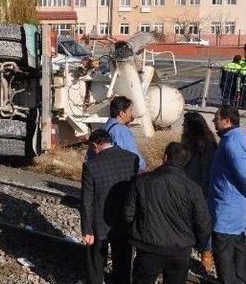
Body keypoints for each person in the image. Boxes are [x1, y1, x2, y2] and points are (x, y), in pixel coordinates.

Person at [124, 142, 211, 284]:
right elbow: (203, 222)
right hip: (180, 250)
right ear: (185, 162)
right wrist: (200, 245)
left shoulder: (141, 181)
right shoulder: (193, 189)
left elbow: (128, 214)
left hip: (148, 248)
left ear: (165, 157)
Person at [81, 129, 138, 284]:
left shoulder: (90, 166)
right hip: (125, 222)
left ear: (95, 145)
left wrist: (87, 229)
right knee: (123, 267)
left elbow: (87, 200)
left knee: (96, 265)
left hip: (99, 225)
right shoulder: (132, 159)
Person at [209, 105, 246, 284]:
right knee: (239, 260)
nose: (213, 121)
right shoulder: (236, 138)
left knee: (225, 263)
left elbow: (243, 174)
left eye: (216, 118)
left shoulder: (231, 143)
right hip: (235, 214)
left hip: (226, 215)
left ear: (226, 120)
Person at [181, 111, 218, 274]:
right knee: (204, 223)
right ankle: (206, 256)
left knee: (190, 222)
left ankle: (194, 254)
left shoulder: (190, 144)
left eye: (184, 124)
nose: (182, 127)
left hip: (192, 188)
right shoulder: (210, 143)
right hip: (203, 188)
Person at [86, 96, 146, 171]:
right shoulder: (122, 131)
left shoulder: (103, 128)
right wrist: (143, 165)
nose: (131, 114)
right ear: (121, 113)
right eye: (130, 110)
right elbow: (135, 158)